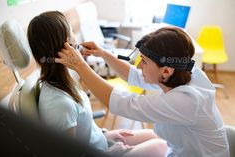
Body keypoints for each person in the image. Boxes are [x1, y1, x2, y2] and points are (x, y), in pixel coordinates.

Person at [55, 26, 230, 157]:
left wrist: (80, 65)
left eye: (144, 61)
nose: (139, 65)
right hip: (179, 148)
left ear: (166, 71)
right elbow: (135, 76)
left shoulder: (187, 101)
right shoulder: (184, 73)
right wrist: (103, 54)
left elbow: (123, 103)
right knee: (125, 139)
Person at [27, 11, 167, 157]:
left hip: (101, 141)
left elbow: (84, 127)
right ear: (68, 43)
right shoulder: (59, 104)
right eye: (73, 31)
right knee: (161, 146)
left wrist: (104, 134)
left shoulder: (65, 84)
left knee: (159, 135)